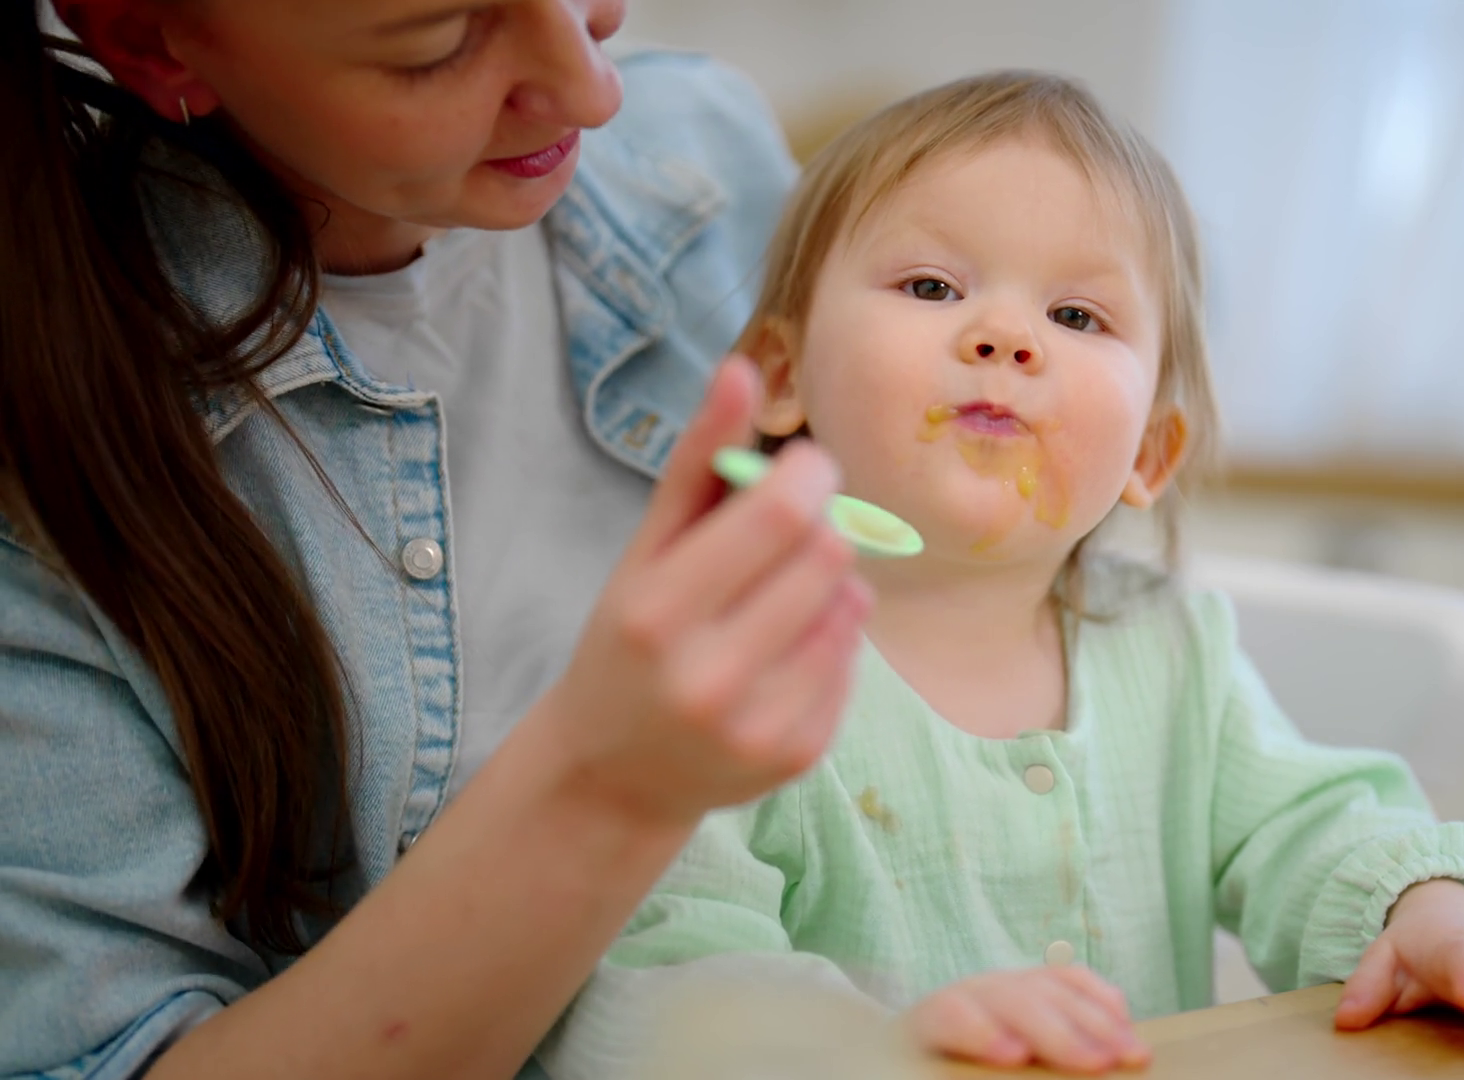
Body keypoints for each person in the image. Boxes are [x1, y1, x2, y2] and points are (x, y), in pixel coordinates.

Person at [542, 72, 1464, 1077]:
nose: (1005, 336)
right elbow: (667, 977)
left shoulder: (1174, 656)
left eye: (1076, 314)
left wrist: (1429, 911)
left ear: (1149, 454)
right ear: (782, 377)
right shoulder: (723, 672)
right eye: (932, 287)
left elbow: (1316, 827)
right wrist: (877, 1046)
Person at [0, 2, 866, 1077]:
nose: (594, 89)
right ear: (146, 39)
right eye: (437, 45)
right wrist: (606, 788)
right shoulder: (47, 483)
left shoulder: (707, 150)